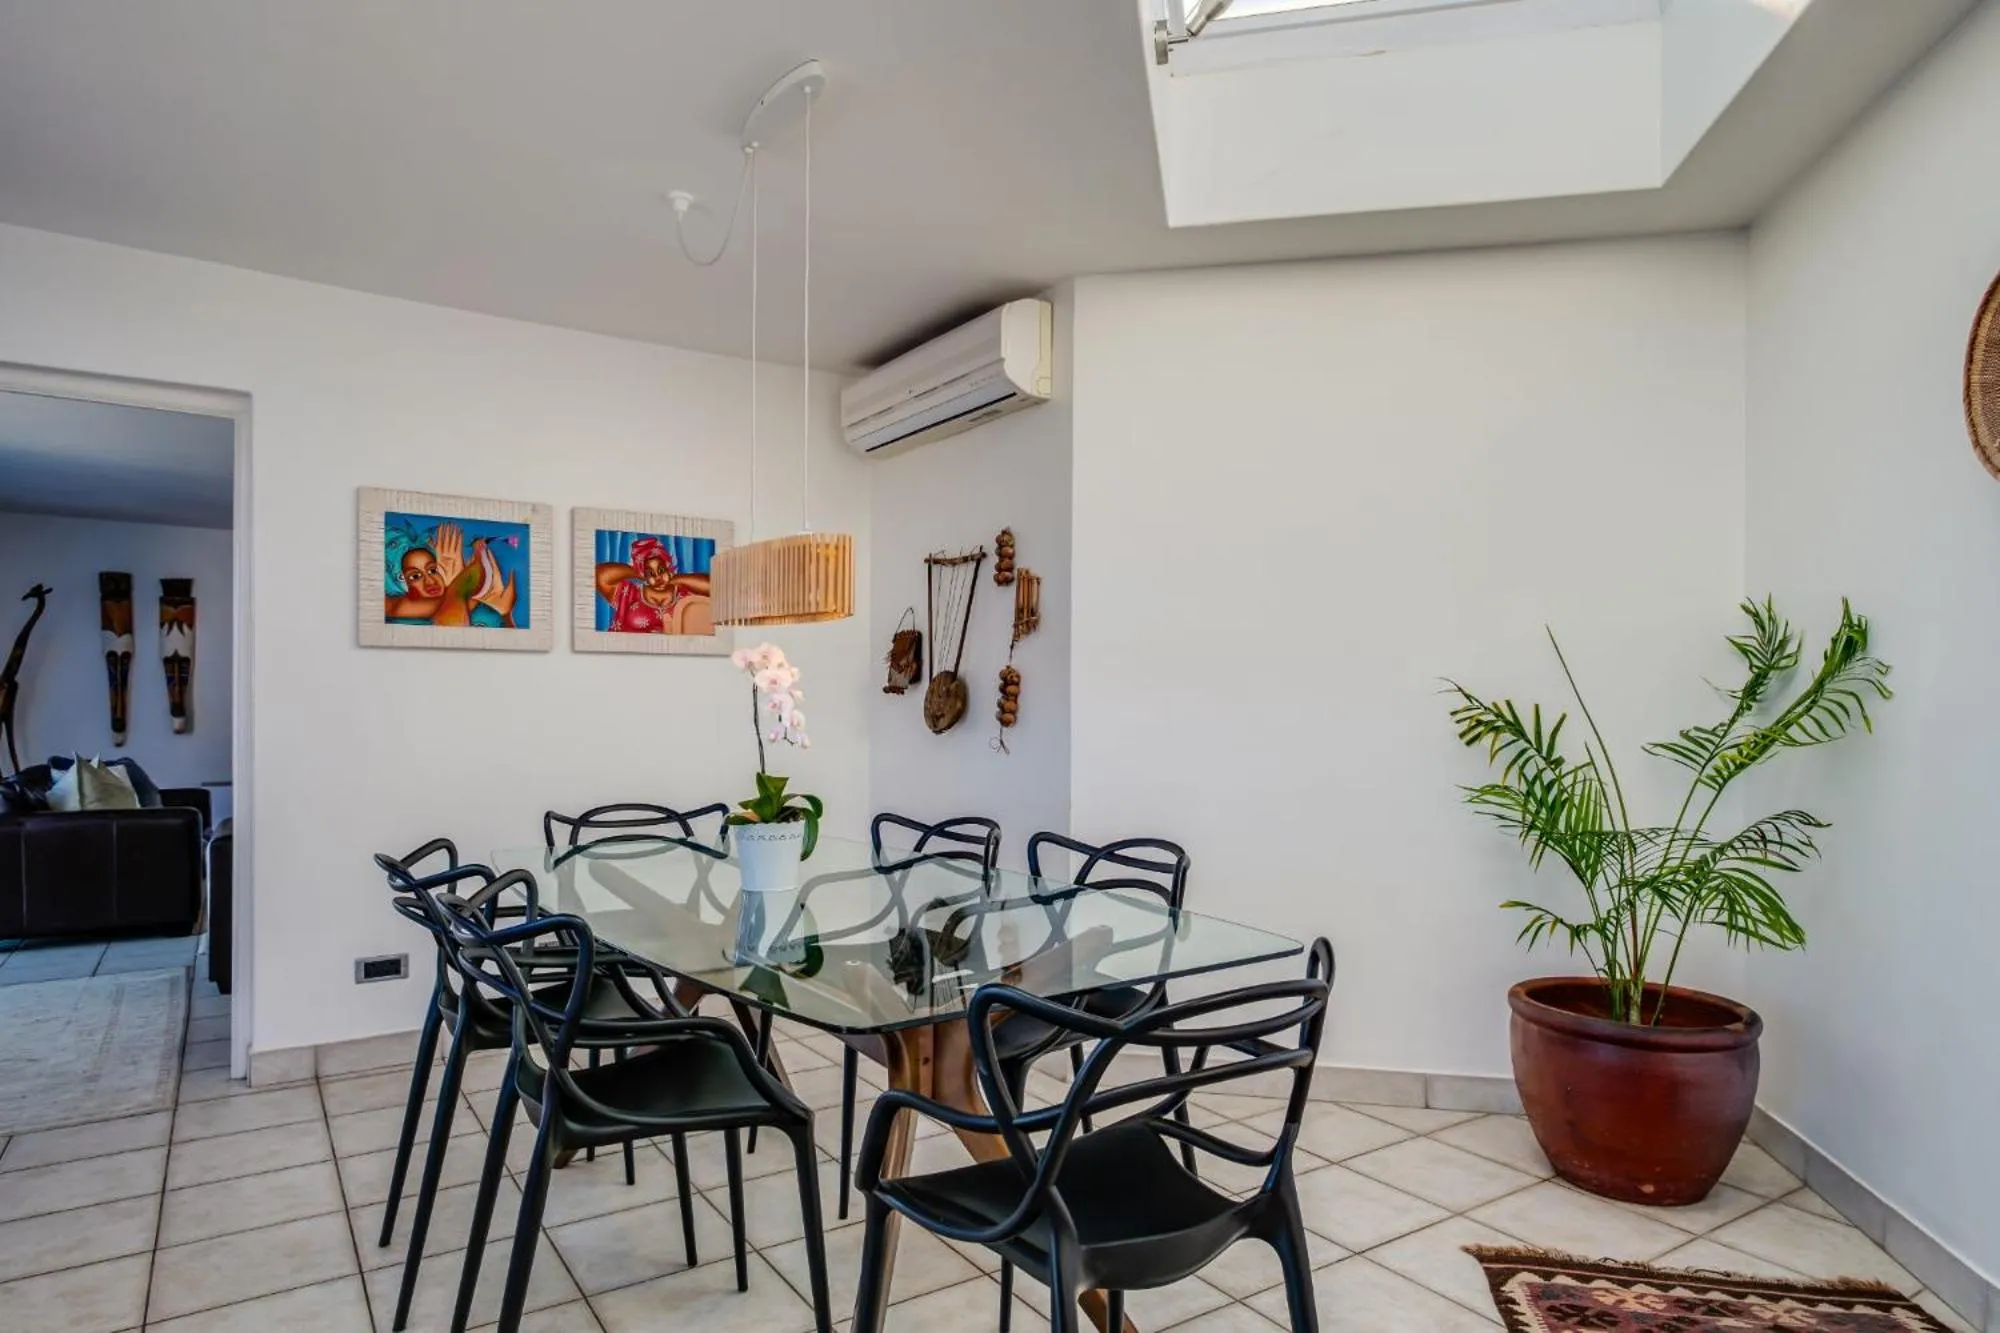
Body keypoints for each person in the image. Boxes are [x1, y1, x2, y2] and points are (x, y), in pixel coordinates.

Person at [385, 521, 519, 628]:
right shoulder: (396, 608)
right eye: (415, 576)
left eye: (432, 570)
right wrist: (463, 582)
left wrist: (506, 614)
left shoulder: (478, 609)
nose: (430, 581)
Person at [595, 536, 711, 634]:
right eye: (650, 573)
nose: (657, 577)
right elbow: (598, 575)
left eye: (661, 570)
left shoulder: (684, 592)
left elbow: (715, 587)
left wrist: (675, 578)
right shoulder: (629, 593)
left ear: (667, 566)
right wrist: (638, 572)